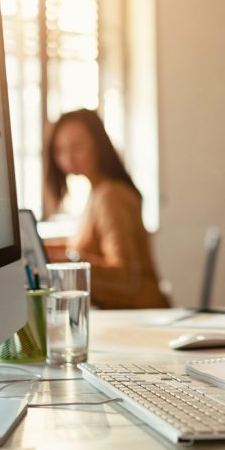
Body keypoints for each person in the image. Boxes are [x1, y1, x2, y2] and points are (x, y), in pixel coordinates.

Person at [45, 108, 170, 309]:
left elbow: (125, 278)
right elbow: (91, 247)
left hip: (141, 316)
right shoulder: (97, 191)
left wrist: (70, 261)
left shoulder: (110, 196)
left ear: (98, 145)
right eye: (60, 150)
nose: (68, 157)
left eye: (76, 147)